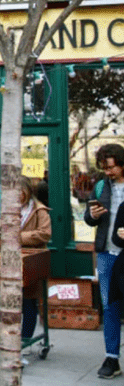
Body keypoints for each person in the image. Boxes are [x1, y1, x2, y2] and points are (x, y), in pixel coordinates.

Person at [0, 176, 51, 357]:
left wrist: (17, 236)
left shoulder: (40, 211)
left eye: (18, 192)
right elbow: (1, 232)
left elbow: (45, 234)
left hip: (28, 261)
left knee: (28, 302)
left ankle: (26, 340)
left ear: (27, 191)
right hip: (7, 260)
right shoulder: (6, 209)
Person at [85, 143, 124, 379]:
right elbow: (89, 218)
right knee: (109, 306)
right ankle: (112, 358)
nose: (107, 172)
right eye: (104, 167)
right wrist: (92, 215)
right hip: (107, 254)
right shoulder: (101, 185)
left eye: (111, 167)